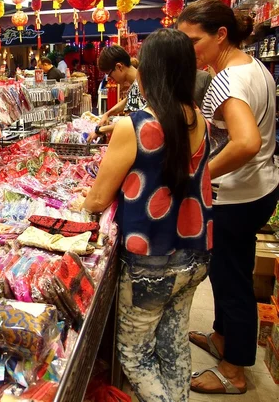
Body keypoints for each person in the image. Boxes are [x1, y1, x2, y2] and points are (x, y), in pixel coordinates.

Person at [82, 28, 212, 402]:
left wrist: (80, 205)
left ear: (150, 70)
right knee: (172, 343)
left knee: (134, 354)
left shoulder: (134, 125)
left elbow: (97, 199)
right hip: (195, 250)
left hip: (151, 259)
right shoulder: (196, 118)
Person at [178, 0, 279, 395]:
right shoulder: (252, 67)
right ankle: (222, 336)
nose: (190, 51)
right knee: (226, 272)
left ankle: (234, 371)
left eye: (194, 41)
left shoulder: (227, 80)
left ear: (221, 35)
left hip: (236, 196)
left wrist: (198, 175)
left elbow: (247, 141)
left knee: (232, 278)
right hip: (259, 188)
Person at [87, 46, 146, 142]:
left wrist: (100, 130)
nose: (110, 79)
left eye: (109, 74)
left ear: (119, 67)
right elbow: (128, 99)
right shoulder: (139, 80)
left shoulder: (141, 85)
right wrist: (107, 114)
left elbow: (131, 123)